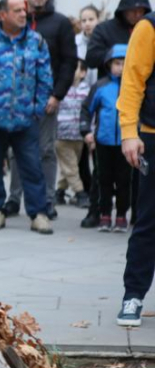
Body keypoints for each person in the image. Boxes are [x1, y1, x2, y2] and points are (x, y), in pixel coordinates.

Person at [0, 0, 53, 234]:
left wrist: (38, 109)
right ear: (2, 14)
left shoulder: (36, 42)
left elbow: (45, 79)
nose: (23, 14)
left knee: (32, 167)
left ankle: (38, 213)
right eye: (16, 10)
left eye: (23, 10)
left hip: (26, 119)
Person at [5, 0, 78, 220]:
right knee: (16, 151)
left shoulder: (60, 24)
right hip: (17, 101)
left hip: (48, 99)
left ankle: (47, 200)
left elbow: (69, 62)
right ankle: (14, 198)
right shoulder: (15, 22)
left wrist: (57, 95)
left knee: (46, 150)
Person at [84, 0, 152, 229]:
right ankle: (96, 211)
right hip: (110, 100)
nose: (136, 14)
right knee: (101, 175)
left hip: (141, 104)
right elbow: (91, 58)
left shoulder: (147, 27)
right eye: (131, 10)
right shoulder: (106, 30)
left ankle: (128, 214)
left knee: (130, 176)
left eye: (140, 10)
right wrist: (121, 54)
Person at [115, 7, 155, 326]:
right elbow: (132, 82)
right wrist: (129, 132)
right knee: (148, 221)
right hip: (153, 136)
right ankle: (133, 296)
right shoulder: (149, 27)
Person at [82, 45, 129, 233]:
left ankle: (121, 216)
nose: (121, 67)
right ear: (109, 65)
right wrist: (85, 130)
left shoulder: (135, 87)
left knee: (125, 181)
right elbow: (86, 109)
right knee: (104, 180)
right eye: (117, 63)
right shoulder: (100, 86)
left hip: (126, 143)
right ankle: (105, 214)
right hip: (103, 142)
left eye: (125, 63)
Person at [56, 62, 91, 207]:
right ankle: (80, 193)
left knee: (70, 166)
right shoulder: (60, 89)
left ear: (83, 73)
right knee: (71, 166)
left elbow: (90, 112)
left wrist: (89, 131)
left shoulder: (87, 90)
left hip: (79, 136)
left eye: (75, 68)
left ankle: (59, 192)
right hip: (62, 135)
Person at [76, 5, 100, 85]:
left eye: (91, 19)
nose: (87, 23)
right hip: (79, 91)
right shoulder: (75, 42)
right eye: (84, 20)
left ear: (98, 20)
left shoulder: (105, 41)